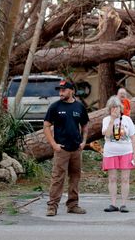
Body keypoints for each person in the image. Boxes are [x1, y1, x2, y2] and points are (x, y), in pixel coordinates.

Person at [44, 80, 89, 217]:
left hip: (76, 149)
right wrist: (54, 145)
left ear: (72, 91)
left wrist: (83, 142)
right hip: (61, 149)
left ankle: (73, 205)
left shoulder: (79, 107)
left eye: (64, 90)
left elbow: (85, 126)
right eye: (60, 90)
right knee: (57, 178)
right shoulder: (55, 107)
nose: (61, 92)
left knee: (75, 177)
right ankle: (52, 206)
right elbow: (46, 126)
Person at [101, 96, 135, 213]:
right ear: (109, 109)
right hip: (110, 152)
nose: (115, 109)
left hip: (126, 151)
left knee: (125, 178)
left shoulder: (127, 119)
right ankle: (113, 204)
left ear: (120, 107)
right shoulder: (106, 120)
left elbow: (133, 138)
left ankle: (123, 204)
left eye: (117, 107)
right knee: (112, 178)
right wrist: (112, 119)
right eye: (112, 107)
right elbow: (107, 135)